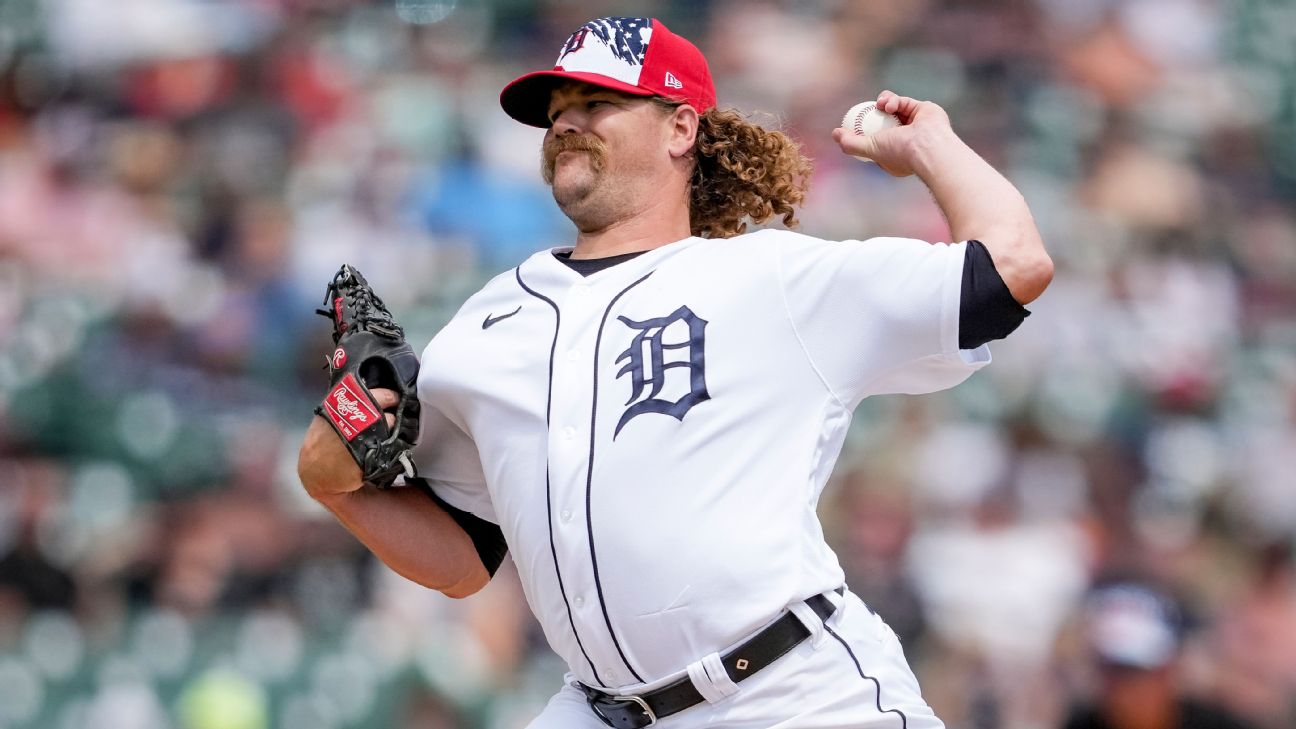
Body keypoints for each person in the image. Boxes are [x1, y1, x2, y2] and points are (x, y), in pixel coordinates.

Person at [298, 16, 1052, 728]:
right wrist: (334, 488)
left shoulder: (776, 280)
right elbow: (464, 560)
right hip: (600, 705)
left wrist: (932, 148)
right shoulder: (485, 327)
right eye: (558, 107)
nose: (566, 121)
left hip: (793, 692)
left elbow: (1013, 266)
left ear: (681, 127)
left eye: (597, 101)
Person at [1061, 582, 1260, 729]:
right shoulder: (1080, 722)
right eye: (1107, 669)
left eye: (1131, 674)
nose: (1116, 689)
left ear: (1168, 670)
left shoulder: (1223, 724)